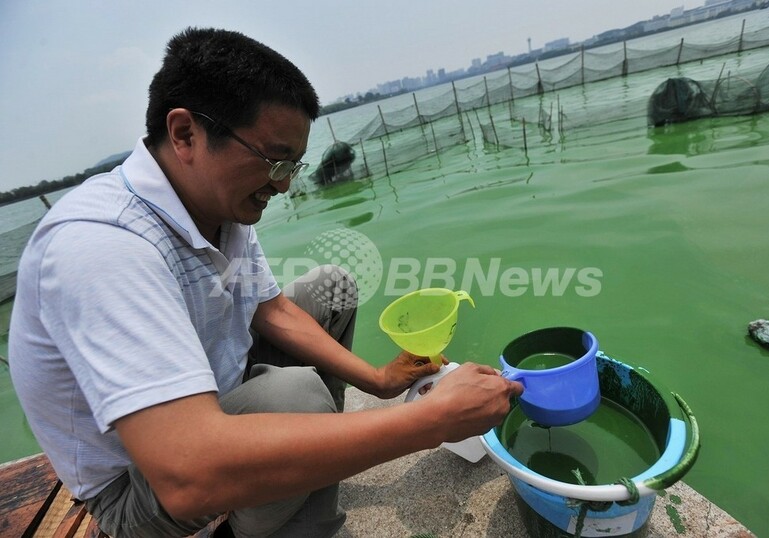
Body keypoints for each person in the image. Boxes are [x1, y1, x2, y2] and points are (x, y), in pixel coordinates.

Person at [9, 27, 522, 538]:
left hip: (218, 388)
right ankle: (282, 516)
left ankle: (291, 475)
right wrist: (430, 422)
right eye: (275, 161)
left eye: (293, 164)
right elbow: (185, 475)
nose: (285, 184)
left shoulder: (217, 207)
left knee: (333, 288)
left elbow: (271, 310)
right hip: (141, 484)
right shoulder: (101, 246)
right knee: (297, 396)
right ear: (186, 134)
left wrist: (378, 381)